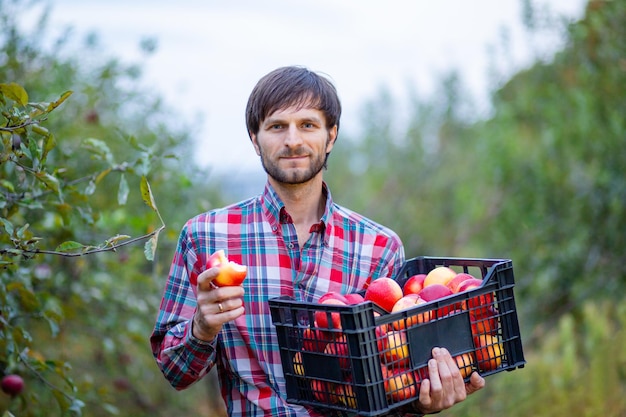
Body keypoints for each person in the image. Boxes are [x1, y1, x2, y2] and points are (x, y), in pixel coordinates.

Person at [150, 66, 485, 417]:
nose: (293, 140)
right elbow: (175, 372)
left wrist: (420, 400)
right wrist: (202, 328)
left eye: (307, 125)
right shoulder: (205, 237)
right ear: (255, 138)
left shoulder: (378, 247)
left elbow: (390, 380)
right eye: (277, 126)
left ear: (331, 136)